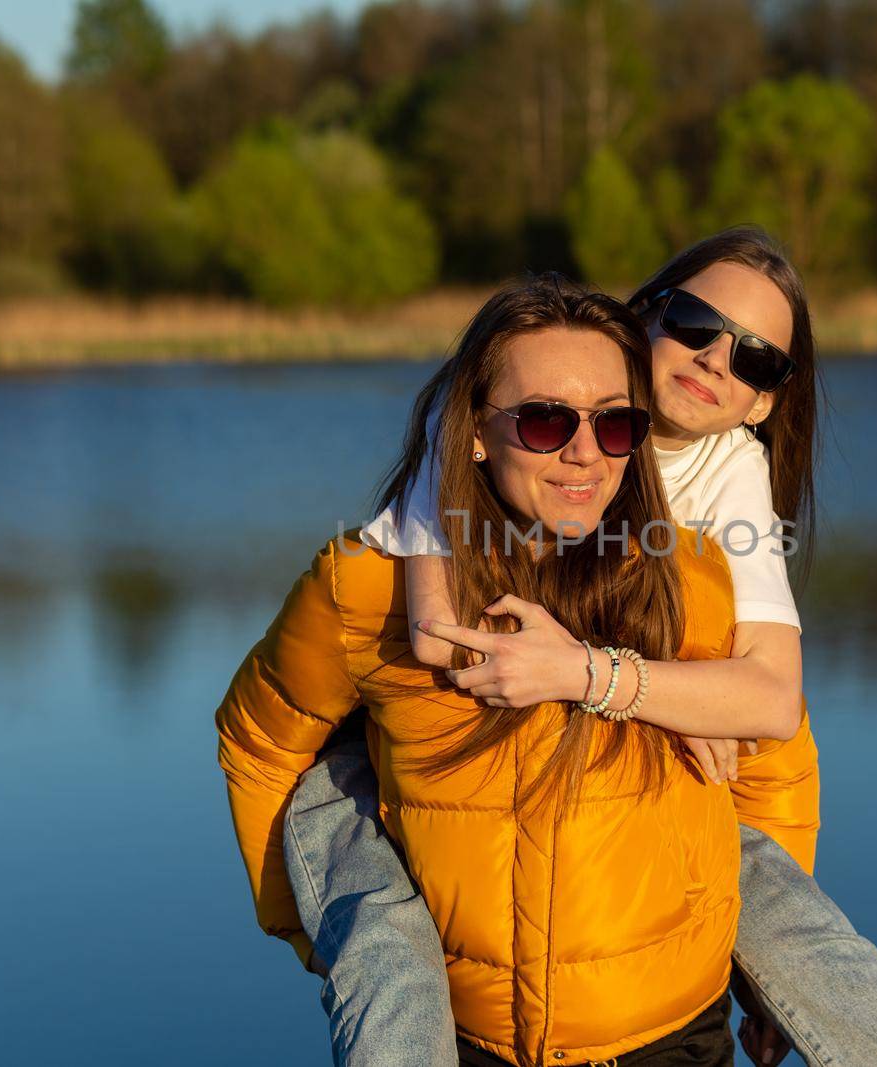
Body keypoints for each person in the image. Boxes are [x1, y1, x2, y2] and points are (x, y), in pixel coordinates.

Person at [280, 229, 877, 1066]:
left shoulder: (731, 479)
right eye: (699, 323)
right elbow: (442, 631)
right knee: (387, 951)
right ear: (645, 314)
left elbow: (774, 716)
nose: (716, 360)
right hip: (405, 761)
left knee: (806, 934)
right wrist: (666, 687)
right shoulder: (520, 398)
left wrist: (647, 685)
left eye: (756, 361)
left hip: (632, 833)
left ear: (765, 402)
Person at [217, 274, 820, 1066]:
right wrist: (326, 936)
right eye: (543, 421)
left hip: (675, 1040)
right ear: (469, 430)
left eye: (615, 426)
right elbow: (260, 743)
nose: (583, 452)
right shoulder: (369, 585)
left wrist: (764, 969)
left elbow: (772, 765)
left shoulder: (693, 581)